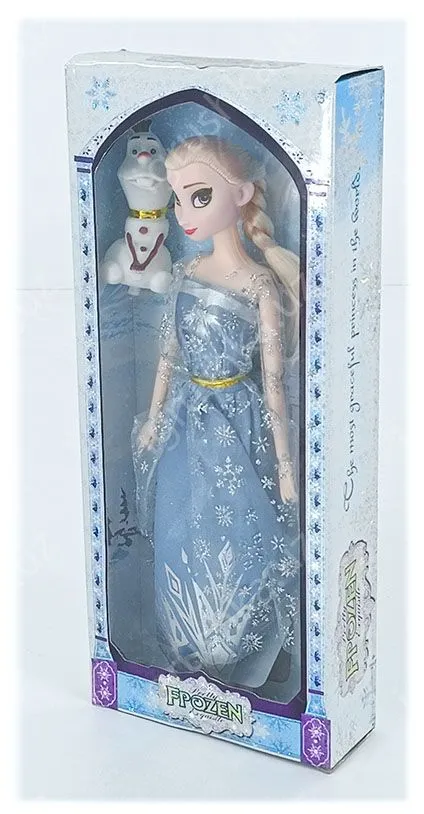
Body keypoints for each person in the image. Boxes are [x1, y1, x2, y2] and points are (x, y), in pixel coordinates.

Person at [132, 135, 300, 692]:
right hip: (185, 423)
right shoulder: (186, 272)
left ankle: (234, 640)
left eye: (199, 197)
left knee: (241, 528)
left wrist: (285, 465)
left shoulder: (259, 285)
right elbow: (168, 354)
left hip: (239, 421)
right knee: (182, 524)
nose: (184, 214)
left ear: (242, 195)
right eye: (177, 199)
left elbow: (273, 383)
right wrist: (154, 417)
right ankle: (190, 641)